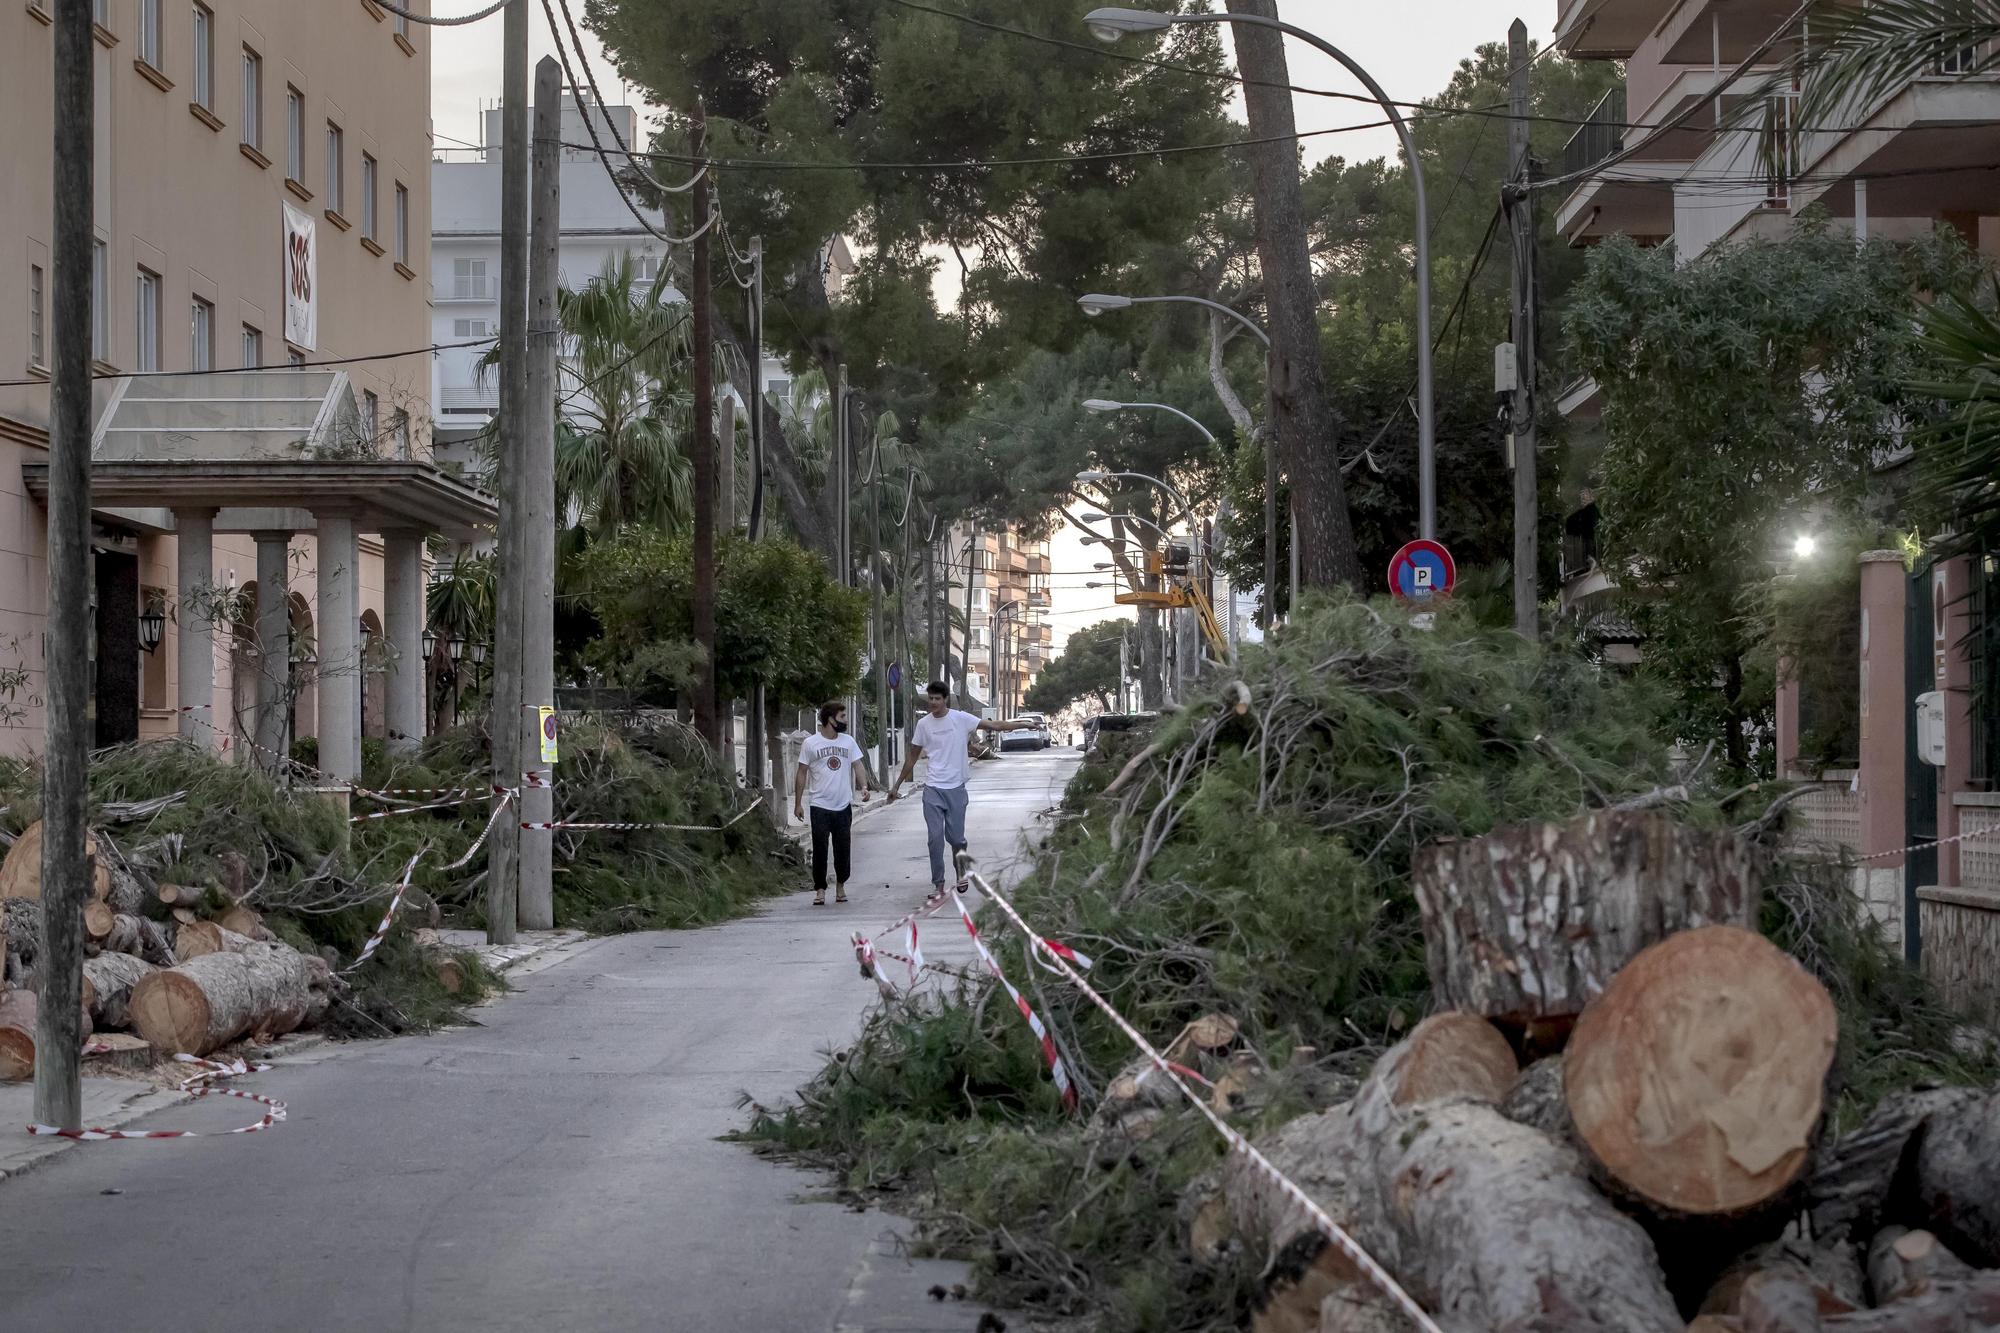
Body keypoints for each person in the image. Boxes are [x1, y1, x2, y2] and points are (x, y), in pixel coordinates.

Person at [887, 682, 1036, 894]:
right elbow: (912, 757)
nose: (933, 703)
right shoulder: (923, 725)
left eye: (937, 699)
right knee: (934, 839)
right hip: (932, 788)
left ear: (945, 699)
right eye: (930, 699)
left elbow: (995, 726)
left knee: (956, 839)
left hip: (955, 788)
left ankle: (960, 870)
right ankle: (938, 884)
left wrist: (1023, 724)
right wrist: (896, 785)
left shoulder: (961, 719)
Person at [795, 700, 870, 906]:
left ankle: (840, 886)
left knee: (843, 848)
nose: (845, 720)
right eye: (842, 717)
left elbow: (858, 765)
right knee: (820, 848)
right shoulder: (811, 743)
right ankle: (820, 889)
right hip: (819, 804)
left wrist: (863, 786)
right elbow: (802, 772)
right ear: (830, 719)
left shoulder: (848, 742)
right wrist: (798, 803)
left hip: (842, 805)